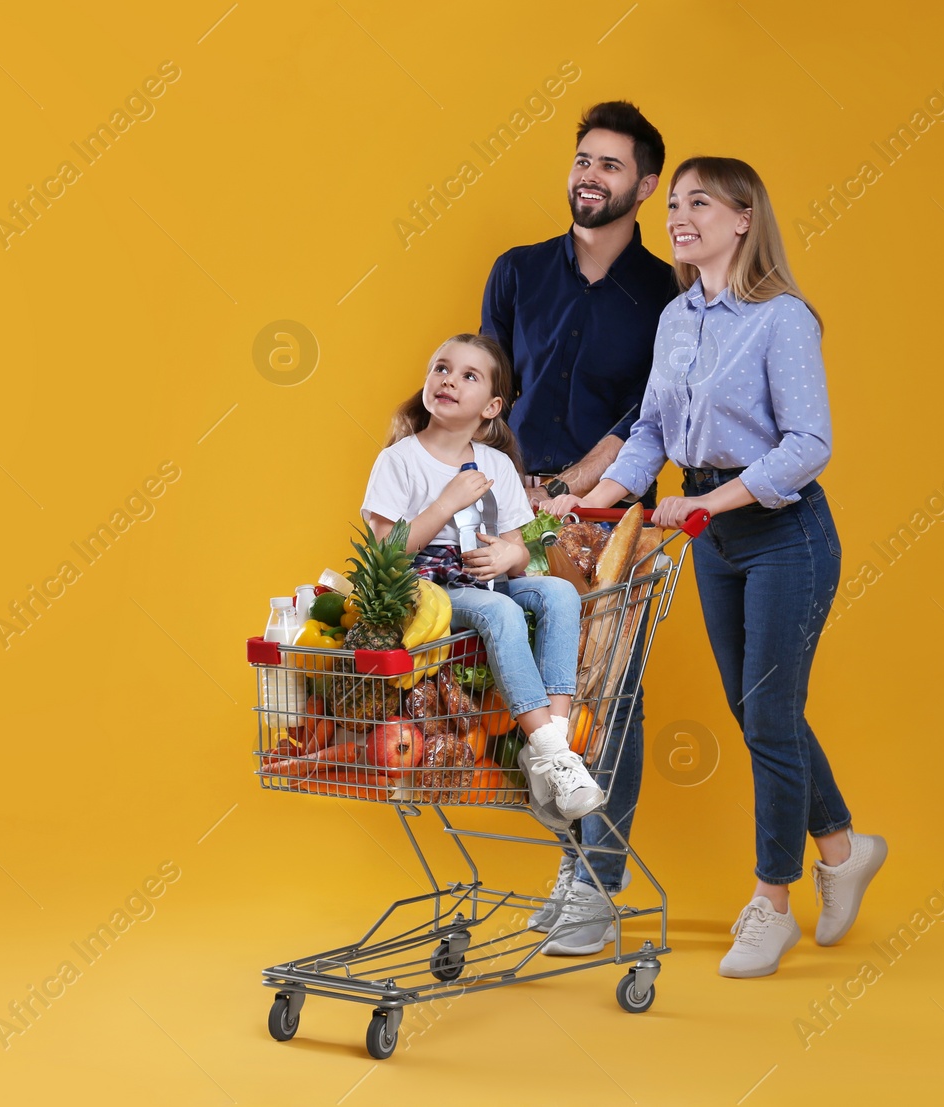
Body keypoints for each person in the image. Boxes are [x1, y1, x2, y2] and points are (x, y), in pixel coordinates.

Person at [547, 157, 888, 978]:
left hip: (784, 534)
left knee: (769, 714)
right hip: (715, 539)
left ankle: (772, 902)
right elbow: (655, 432)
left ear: (744, 220)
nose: (678, 215)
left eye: (700, 202)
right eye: (676, 205)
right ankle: (843, 848)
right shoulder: (676, 320)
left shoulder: (782, 320)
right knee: (757, 710)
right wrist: (597, 498)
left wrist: (712, 503)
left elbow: (808, 445)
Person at [481, 101, 678, 956]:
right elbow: (495, 387)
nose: (589, 177)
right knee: (540, 699)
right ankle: (571, 864)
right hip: (518, 520)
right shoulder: (518, 271)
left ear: (645, 184)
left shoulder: (668, 291)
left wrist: (571, 483)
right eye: (582, 161)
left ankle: (601, 882)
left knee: (611, 699)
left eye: (610, 165)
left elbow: (651, 412)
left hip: (610, 523)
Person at [361, 333, 599, 826]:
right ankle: (556, 752)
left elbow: (518, 557)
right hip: (430, 589)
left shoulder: (496, 465)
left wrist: (509, 552)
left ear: (491, 406)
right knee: (501, 610)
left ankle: (547, 749)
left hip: (483, 578)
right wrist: (446, 502)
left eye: (468, 376)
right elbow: (387, 549)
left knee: (555, 590)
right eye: (441, 368)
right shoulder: (399, 460)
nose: (449, 379)